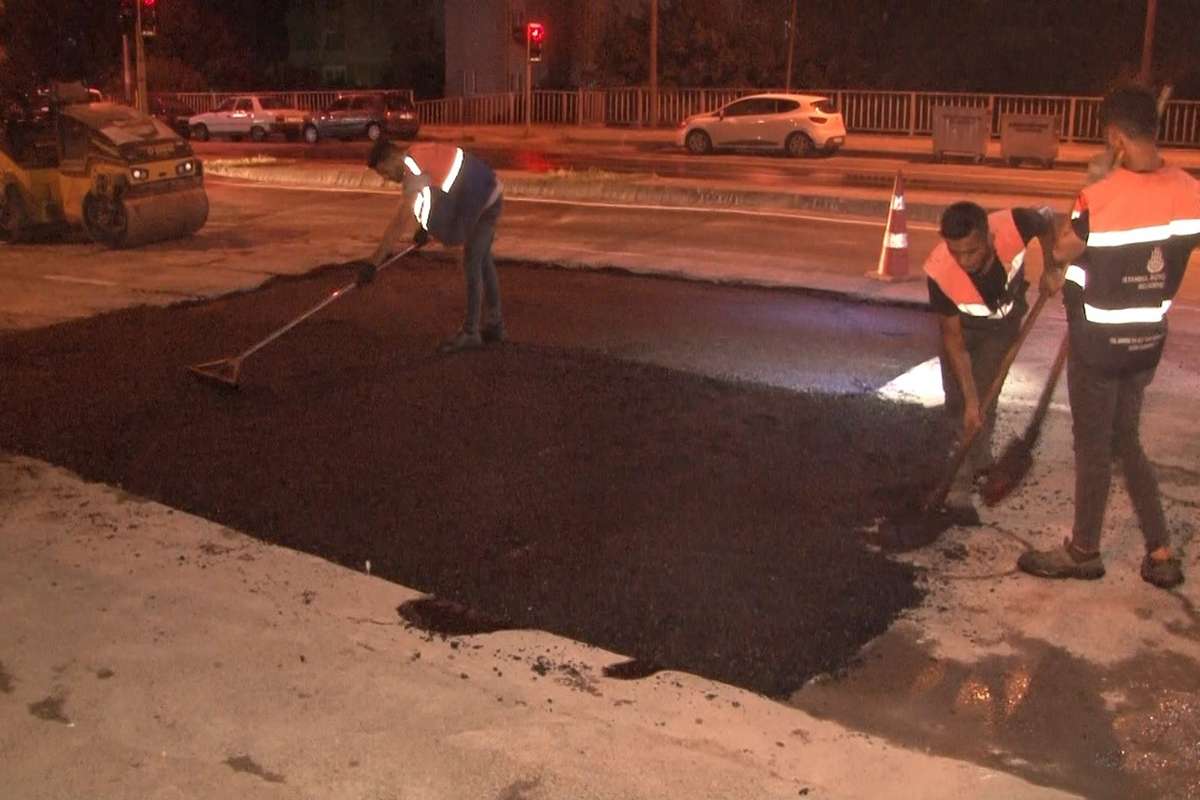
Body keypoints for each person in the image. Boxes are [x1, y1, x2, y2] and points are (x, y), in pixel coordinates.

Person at [1019, 85, 1200, 589]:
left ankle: (1083, 550)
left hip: (1097, 347)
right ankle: (1160, 550)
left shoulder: (1099, 198)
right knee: (1127, 439)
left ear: (1114, 136)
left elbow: (1062, 254)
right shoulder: (1190, 190)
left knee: (1094, 446)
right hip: (1146, 346)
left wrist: (1094, 191)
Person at [923, 201, 1055, 524]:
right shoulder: (940, 271)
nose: (964, 261)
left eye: (971, 251)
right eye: (956, 252)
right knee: (962, 407)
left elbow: (1048, 224)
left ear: (988, 236)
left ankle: (971, 475)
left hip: (1002, 327)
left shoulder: (1014, 225)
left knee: (986, 399)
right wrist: (969, 401)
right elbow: (954, 342)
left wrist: (1052, 267)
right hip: (963, 332)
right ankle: (965, 473)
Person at [365, 138, 505, 353]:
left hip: (484, 200)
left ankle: (471, 333)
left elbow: (398, 222)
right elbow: (438, 190)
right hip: (487, 191)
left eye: (383, 172)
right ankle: (495, 325)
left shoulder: (412, 169)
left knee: (472, 263)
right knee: (483, 261)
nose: (386, 178)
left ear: (391, 158)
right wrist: (424, 228)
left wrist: (373, 264)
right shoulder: (417, 154)